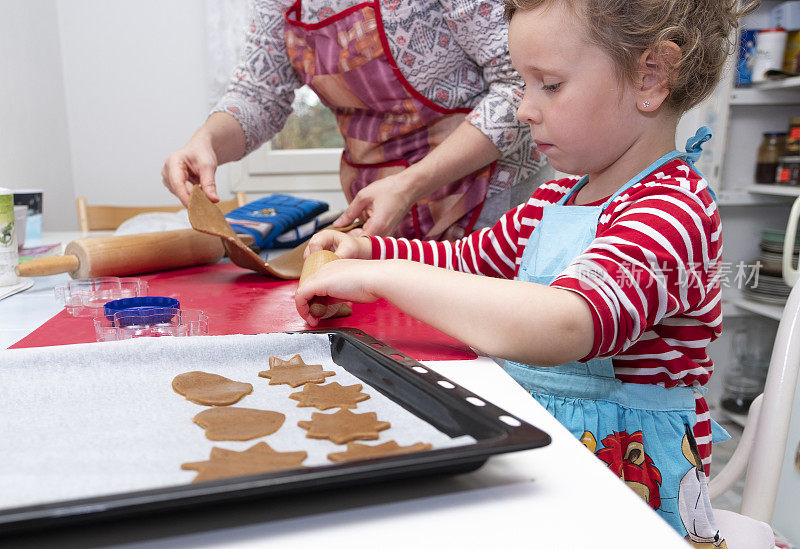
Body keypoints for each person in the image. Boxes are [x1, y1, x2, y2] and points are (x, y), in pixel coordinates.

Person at [295, 0, 757, 542]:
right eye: (523, 84)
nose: (523, 111)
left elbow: (564, 325)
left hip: (627, 490)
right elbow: (466, 259)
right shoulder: (558, 197)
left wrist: (382, 280)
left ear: (650, 76)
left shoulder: (673, 210)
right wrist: (369, 252)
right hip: (541, 452)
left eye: (550, 85)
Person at [162, 0, 550, 240]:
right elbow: (259, 95)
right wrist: (207, 141)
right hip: (380, 217)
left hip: (492, 205)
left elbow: (519, 83)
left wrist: (410, 184)